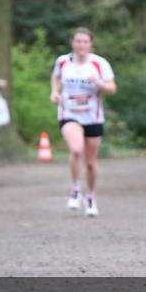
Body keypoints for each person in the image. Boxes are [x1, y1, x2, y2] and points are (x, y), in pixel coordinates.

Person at [50, 28, 116, 217]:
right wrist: (54, 92)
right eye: (78, 41)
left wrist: (99, 83)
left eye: (85, 41)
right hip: (69, 113)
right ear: (72, 43)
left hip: (93, 117)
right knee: (76, 149)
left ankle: (91, 196)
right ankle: (76, 189)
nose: (81, 45)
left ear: (91, 44)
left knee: (90, 163)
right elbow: (55, 76)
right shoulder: (62, 61)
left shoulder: (99, 63)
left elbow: (112, 88)